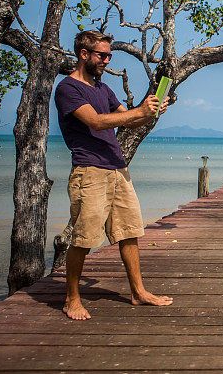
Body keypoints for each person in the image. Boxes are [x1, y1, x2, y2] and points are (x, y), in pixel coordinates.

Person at [55, 30, 173, 320]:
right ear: (84, 54)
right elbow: (95, 122)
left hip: (117, 168)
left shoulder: (103, 89)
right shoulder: (68, 88)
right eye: (102, 55)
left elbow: (128, 120)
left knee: (130, 231)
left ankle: (138, 292)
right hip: (89, 170)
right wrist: (140, 111)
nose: (107, 60)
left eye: (109, 55)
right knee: (83, 237)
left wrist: (152, 109)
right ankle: (72, 298)